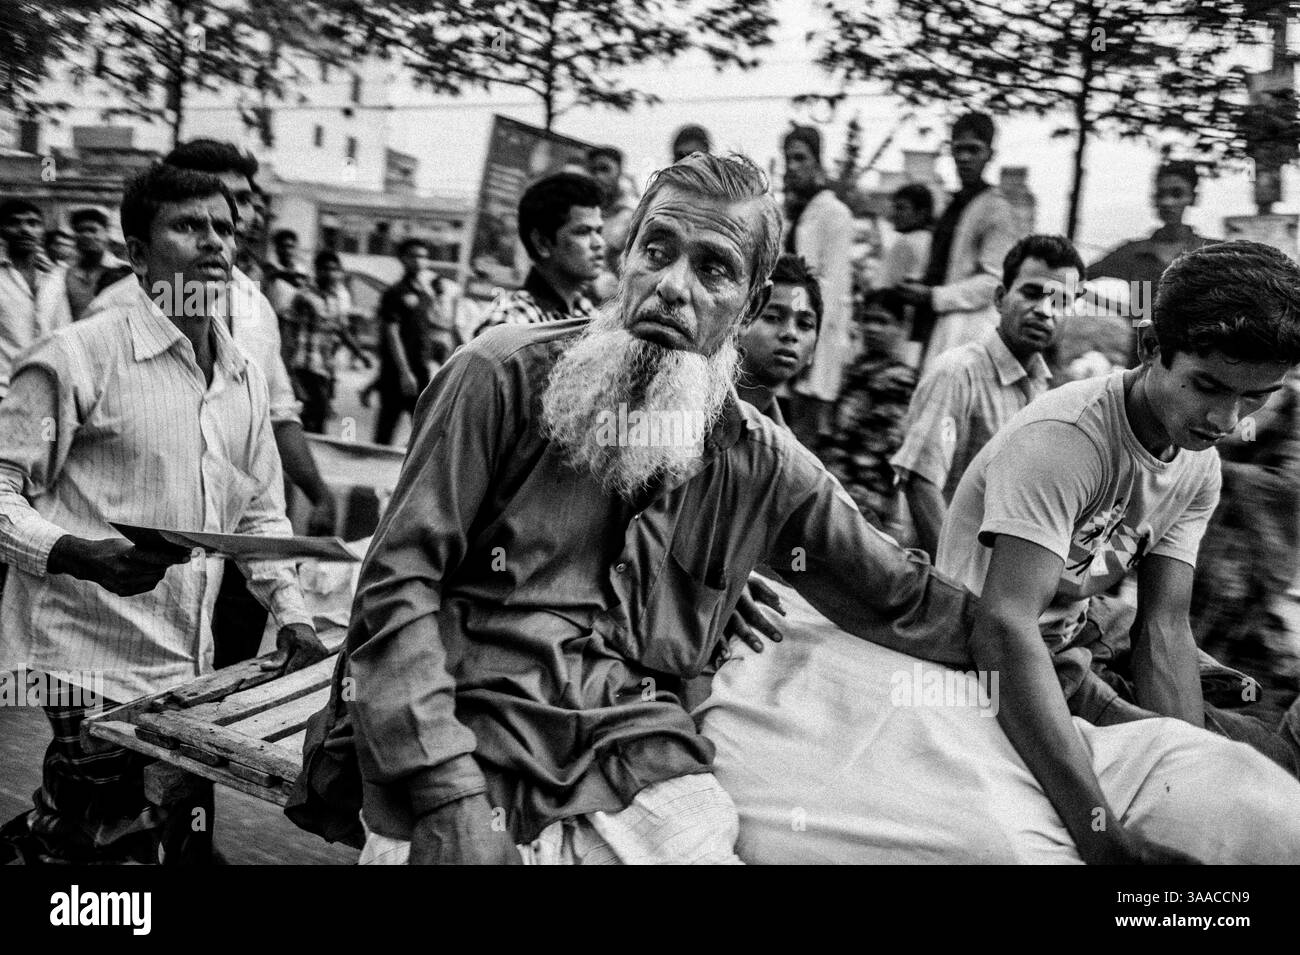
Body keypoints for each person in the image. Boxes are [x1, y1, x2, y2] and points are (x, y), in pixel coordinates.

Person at [303, 152, 1216, 866]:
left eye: (714, 268)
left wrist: (1093, 700)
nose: (671, 286)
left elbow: (908, 599)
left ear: (745, 307)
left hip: (631, 746)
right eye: (655, 249)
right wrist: (447, 790)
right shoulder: (496, 377)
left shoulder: (757, 456)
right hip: (454, 728)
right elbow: (397, 588)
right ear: (624, 259)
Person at [0, 163, 326, 864]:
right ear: (138, 253)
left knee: (165, 836)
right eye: (188, 226)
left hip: (189, 670)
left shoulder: (240, 372)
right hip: (88, 659)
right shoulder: (78, 355)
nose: (213, 243)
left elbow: (259, 513)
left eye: (223, 228)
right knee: (111, 846)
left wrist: (292, 613)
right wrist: (77, 553)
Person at [939, 240, 1300, 778]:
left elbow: (1164, 626)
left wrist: (1184, 763)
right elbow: (1004, 628)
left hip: (1080, 643)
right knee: (1246, 779)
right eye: (1207, 386)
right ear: (1151, 346)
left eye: (1255, 398)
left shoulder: (1198, 466)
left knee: (1254, 769)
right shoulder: (1067, 439)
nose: (1226, 420)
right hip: (999, 660)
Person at [85, 139, 339, 667]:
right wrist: (73, 553)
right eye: (193, 221)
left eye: (233, 212)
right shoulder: (110, 316)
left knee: (217, 694)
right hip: (132, 572)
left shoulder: (253, 304)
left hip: (233, 552)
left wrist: (316, 490)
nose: (241, 218)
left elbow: (275, 418)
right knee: (112, 726)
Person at [892, 234, 1083, 558]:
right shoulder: (958, 373)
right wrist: (956, 579)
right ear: (999, 297)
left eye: (1060, 301)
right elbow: (920, 483)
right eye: (1032, 293)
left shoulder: (1044, 393)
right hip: (943, 582)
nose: (1044, 310)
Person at [1191, 368, 1300, 719]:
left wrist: (1221, 469)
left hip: (1254, 553)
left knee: (1234, 637)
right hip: (1212, 543)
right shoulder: (1237, 401)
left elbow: (1289, 485)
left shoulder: (1294, 413)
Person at [898, 112, 1019, 371]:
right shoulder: (951, 205)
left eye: (974, 150)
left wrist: (934, 296)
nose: (964, 158)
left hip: (967, 331)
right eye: (958, 149)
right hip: (932, 324)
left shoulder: (996, 211)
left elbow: (994, 282)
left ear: (990, 154)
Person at [1091, 160, 1216, 367]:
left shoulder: (1210, 253)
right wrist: (1122, 311)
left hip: (1195, 364)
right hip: (1142, 364)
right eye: (1161, 195)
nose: (1167, 202)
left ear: (1193, 198)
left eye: (1177, 194)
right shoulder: (1132, 253)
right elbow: (1073, 280)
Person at [780, 125, 854, 452]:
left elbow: (831, 289)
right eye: (788, 159)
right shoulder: (795, 214)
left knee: (803, 441)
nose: (792, 166)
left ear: (819, 165)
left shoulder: (836, 215)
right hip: (788, 329)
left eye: (800, 158)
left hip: (814, 339)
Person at [822, 289, 918, 536]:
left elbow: (889, 442)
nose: (873, 328)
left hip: (869, 493)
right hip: (836, 482)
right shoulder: (855, 370)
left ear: (901, 327)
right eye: (868, 320)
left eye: (883, 322)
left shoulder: (900, 380)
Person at [476, 172, 603, 334]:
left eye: (599, 231)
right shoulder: (508, 324)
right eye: (583, 232)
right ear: (542, 243)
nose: (599, 243)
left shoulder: (588, 314)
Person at [371, 238, 445, 445]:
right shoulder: (395, 293)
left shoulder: (425, 294)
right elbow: (392, 333)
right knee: (386, 430)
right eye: (413, 256)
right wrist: (405, 372)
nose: (419, 261)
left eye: (423, 256)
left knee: (424, 429)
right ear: (402, 259)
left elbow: (426, 332)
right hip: (398, 374)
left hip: (420, 371)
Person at [286, 250, 368, 434]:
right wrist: (289, 370)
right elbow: (289, 332)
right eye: (326, 269)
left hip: (325, 367)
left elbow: (341, 329)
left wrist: (359, 353)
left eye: (334, 270)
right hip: (304, 366)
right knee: (311, 417)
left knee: (318, 418)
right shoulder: (303, 296)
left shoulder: (336, 299)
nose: (331, 274)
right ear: (317, 270)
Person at [735, 252, 821, 426]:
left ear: (812, 352)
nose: (791, 333)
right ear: (739, 323)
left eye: (804, 324)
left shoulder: (785, 447)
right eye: (773, 317)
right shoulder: (691, 409)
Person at [0, 198, 71, 401]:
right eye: (14, 222)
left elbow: (63, 330)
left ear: (42, 230)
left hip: (48, 386)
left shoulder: (55, 278)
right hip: (4, 388)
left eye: (33, 223)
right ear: (2, 230)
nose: (25, 229)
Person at [64, 208, 127, 321]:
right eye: (80, 231)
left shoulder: (125, 272)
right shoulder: (64, 274)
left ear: (106, 233)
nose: (86, 235)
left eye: (92, 230)